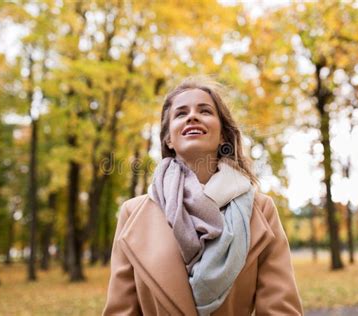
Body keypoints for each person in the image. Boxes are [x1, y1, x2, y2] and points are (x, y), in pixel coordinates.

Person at [102, 76, 303, 316]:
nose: (192, 116)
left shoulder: (260, 210)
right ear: (169, 138)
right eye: (180, 113)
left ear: (223, 136)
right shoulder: (133, 213)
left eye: (205, 111)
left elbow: (280, 311)